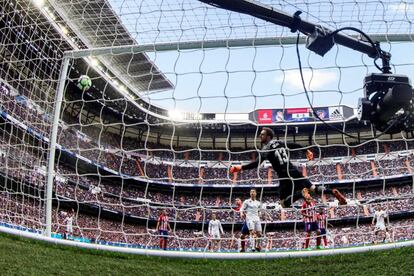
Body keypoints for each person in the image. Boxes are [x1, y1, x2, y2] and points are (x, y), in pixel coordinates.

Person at [230, 127, 347, 208]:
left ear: (269, 136)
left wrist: (240, 167)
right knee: (313, 188)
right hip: (294, 171)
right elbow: (294, 145)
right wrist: (306, 151)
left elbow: (256, 164)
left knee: (283, 204)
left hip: (284, 176)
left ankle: (300, 194)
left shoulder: (266, 148)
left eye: (262, 134)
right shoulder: (281, 142)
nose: (260, 135)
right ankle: (332, 191)